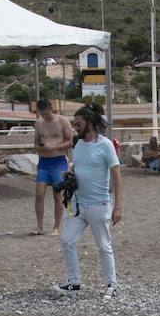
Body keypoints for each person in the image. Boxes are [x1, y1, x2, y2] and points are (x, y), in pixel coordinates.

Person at [52, 106, 122, 297]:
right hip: (77, 205)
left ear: (89, 124)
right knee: (67, 241)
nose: (75, 128)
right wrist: (70, 174)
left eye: (79, 124)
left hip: (99, 205)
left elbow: (116, 175)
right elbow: (80, 167)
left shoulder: (105, 145)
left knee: (104, 246)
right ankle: (74, 283)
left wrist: (118, 207)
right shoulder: (78, 144)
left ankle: (111, 285)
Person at [32, 98, 74, 236]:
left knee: (57, 195)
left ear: (51, 109)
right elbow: (36, 143)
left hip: (58, 161)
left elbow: (69, 142)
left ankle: (56, 227)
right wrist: (42, 148)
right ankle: (39, 226)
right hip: (44, 162)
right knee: (39, 194)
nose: (45, 116)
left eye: (46, 113)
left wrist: (54, 147)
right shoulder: (39, 123)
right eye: (42, 114)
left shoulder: (62, 121)